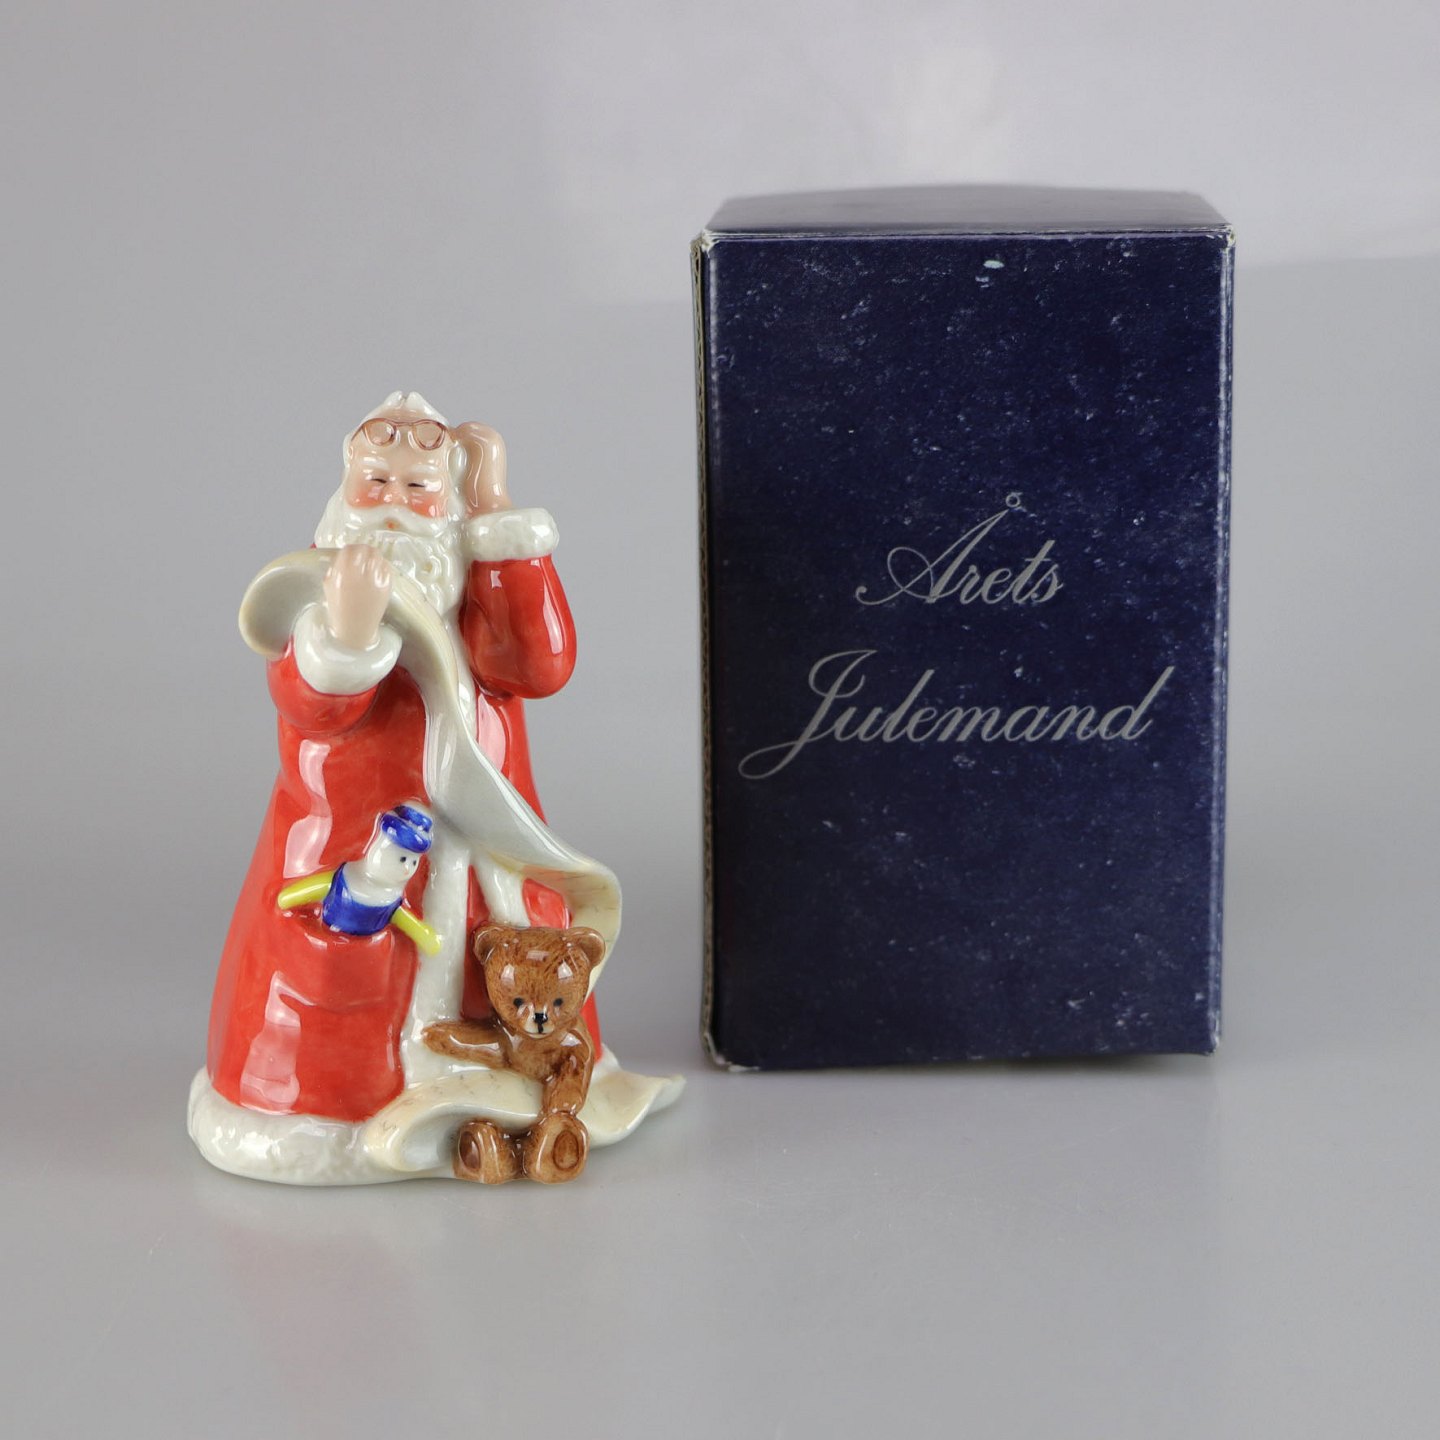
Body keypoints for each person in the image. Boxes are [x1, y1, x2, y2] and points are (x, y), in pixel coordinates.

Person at [204, 392, 596, 1124]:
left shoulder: (468, 588)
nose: (394, 503)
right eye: (376, 482)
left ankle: (520, 1091)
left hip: (486, 839)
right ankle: (334, 1111)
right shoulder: (318, 595)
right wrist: (348, 635)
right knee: (345, 980)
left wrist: (494, 507)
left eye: (419, 487)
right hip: (362, 839)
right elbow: (313, 707)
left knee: (513, 969)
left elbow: (539, 666)